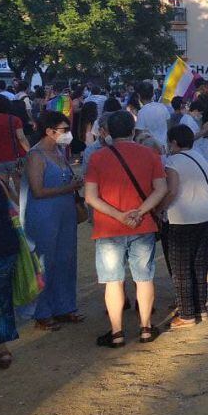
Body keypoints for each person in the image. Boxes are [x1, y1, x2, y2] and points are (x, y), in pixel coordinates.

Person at [84, 110, 168, 347]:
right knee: (144, 278)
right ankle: (145, 328)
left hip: (109, 227)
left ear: (108, 131)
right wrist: (140, 212)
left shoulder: (98, 158)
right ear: (133, 131)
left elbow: (90, 197)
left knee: (113, 280)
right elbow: (160, 189)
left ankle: (117, 332)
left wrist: (119, 215)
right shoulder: (150, 154)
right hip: (142, 224)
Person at [24, 111, 85, 331]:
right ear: (49, 131)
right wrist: (69, 188)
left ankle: (65, 306)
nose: (67, 134)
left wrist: (72, 185)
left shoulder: (59, 151)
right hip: (43, 215)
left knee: (66, 259)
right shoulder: (35, 156)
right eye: (64, 130)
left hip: (65, 212)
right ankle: (43, 312)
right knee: (44, 263)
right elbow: (37, 191)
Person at [161, 125, 208, 328]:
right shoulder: (200, 157)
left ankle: (186, 313)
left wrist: (160, 208)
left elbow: (172, 190)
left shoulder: (173, 161)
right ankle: (200, 307)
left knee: (181, 267)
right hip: (207, 215)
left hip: (181, 219)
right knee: (199, 265)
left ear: (174, 142)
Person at [0, 174, 20, 368]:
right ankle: (1, 350)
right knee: (0, 300)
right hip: (4, 247)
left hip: (1, 247)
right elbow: (14, 208)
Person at [0, 94, 29, 182]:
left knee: (3, 187)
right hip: (15, 157)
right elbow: (21, 138)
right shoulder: (15, 120)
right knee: (19, 185)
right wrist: (30, 152)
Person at [134, 81, 170, 153]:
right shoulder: (163, 107)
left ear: (139, 95)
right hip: (164, 149)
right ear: (153, 93)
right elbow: (169, 127)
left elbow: (139, 136)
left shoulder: (142, 112)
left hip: (150, 151)